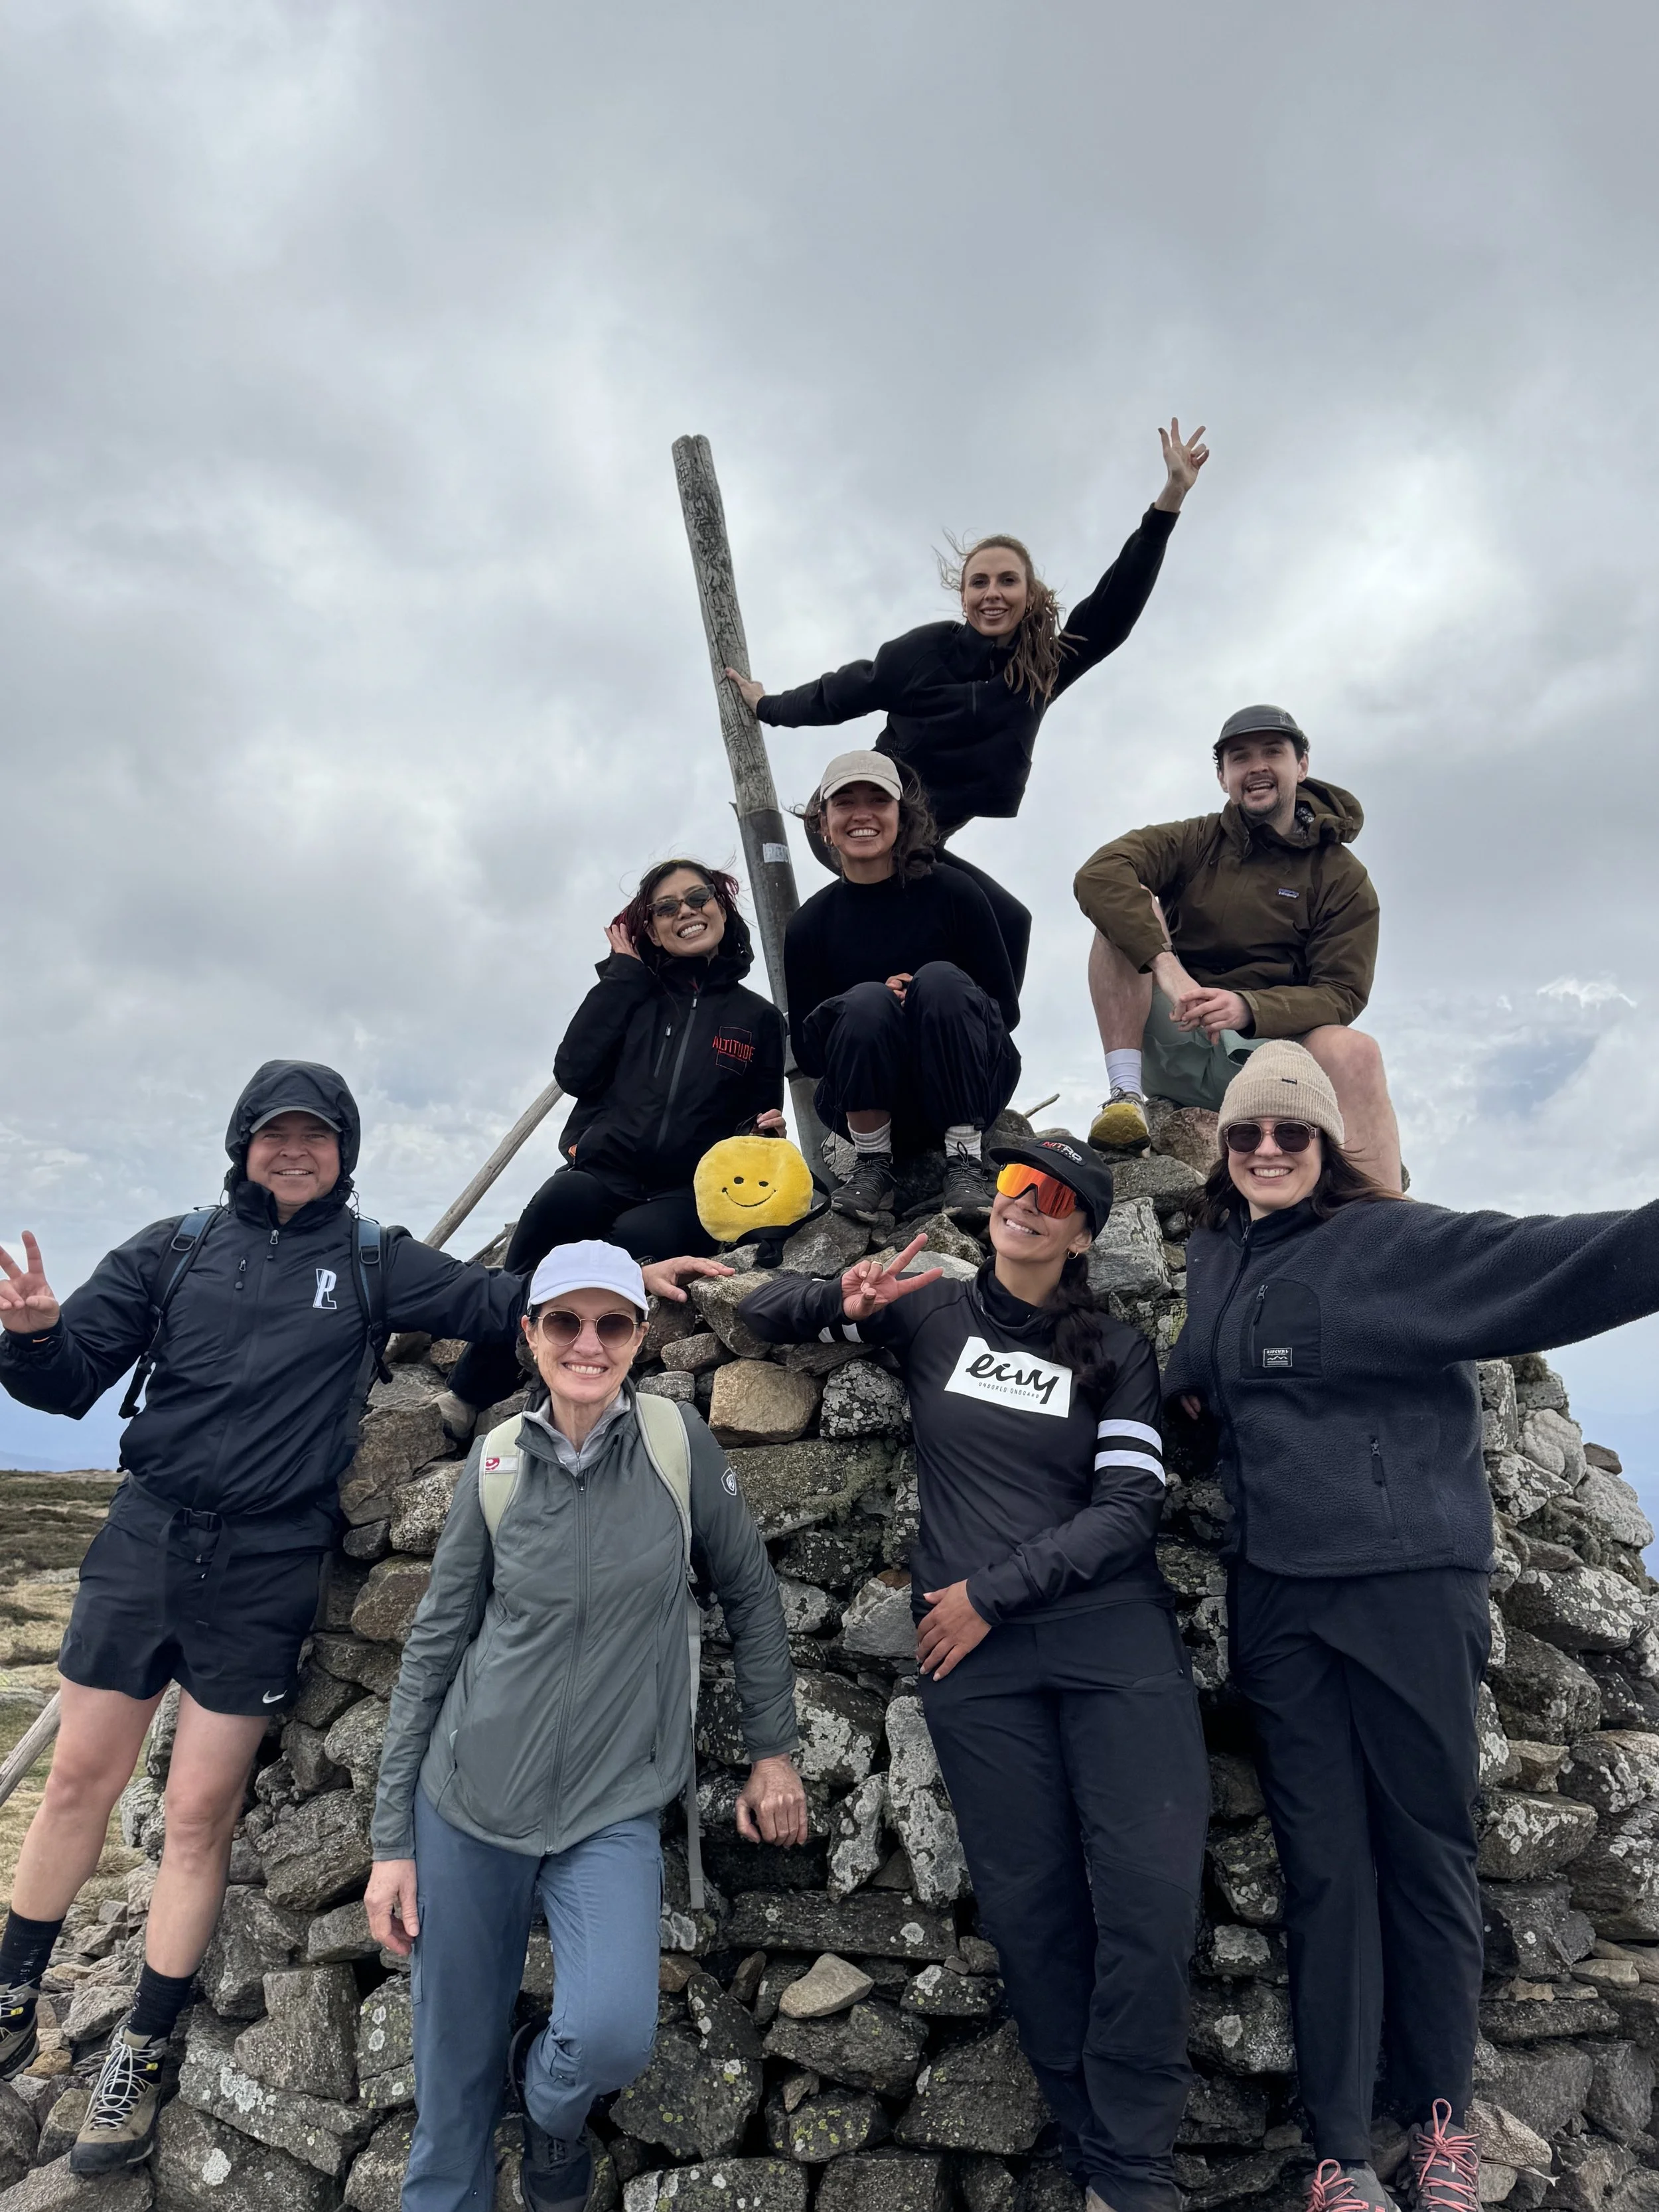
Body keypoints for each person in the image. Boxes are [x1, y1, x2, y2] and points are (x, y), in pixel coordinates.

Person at [0, 1062, 720, 2176]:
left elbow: (499, 1299)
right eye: (275, 1134)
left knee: (198, 1812)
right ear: (242, 1142)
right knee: (78, 1782)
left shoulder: (373, 1257)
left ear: (343, 1150)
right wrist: (37, 1336)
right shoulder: (173, 1247)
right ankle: (13, 1994)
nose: (295, 1151)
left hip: (268, 1560)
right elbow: (71, 1379)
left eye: (317, 1136)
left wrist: (621, 1278)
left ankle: (138, 2051)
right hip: (147, 1537)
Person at [1161, 1041, 1659, 2212]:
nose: (1270, 1149)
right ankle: (1338, 2153)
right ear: (1224, 1149)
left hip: (1407, 1585)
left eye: (1293, 1131)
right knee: (1325, 1869)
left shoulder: (1391, 1241)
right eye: (1248, 1133)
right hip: (1278, 1596)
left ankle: (1442, 2129)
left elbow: (1558, 1259)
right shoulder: (1217, 1255)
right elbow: (1213, 1389)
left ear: (1326, 1144)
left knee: (1427, 1854)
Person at [739, 1137, 1210, 2212]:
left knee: (1148, 1906)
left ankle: (1134, 2169)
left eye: (1052, 1195)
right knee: (1033, 1917)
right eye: (1009, 1183)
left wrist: (991, 1592)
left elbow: (1129, 1511)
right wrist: (839, 1295)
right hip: (981, 1672)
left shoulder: (1118, 1349)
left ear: (1082, 1234)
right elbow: (765, 1313)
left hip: (1107, 1648)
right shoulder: (930, 1311)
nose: (1023, 1202)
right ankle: (1106, 2165)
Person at [366, 1241, 804, 2212]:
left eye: (612, 1323)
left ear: (640, 1337)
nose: (588, 1343)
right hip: (468, 1802)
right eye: (565, 1321)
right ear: (531, 1335)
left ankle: (550, 2107)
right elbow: (434, 1645)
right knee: (449, 2093)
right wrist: (392, 1842)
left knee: (609, 2034)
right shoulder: (495, 1463)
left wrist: (773, 1752)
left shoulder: (677, 1446)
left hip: (610, 1804)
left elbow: (751, 1595)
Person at [727, 421, 1210, 989]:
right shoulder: (924, 653)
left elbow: (1113, 606)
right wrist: (768, 705)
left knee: (1010, 923)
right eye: (979, 583)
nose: (992, 594)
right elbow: (842, 691)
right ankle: (879, 1007)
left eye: (1008, 581)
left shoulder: (1041, 671)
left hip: (923, 842)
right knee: (928, 915)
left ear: (1029, 594)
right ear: (963, 596)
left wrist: (1170, 499)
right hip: (859, 815)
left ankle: (983, 1031)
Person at [439, 858, 786, 1436]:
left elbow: (757, 1120)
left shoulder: (761, 1019)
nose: (686, 911)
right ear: (650, 928)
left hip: (683, 1190)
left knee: (635, 1241)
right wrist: (622, 978)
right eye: (666, 907)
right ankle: (471, 1390)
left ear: (722, 906)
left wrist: (764, 1134)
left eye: (698, 897)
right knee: (559, 1205)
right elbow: (573, 1071)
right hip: (601, 1169)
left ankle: (553, 1389)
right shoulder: (630, 994)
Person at [1073, 704, 1400, 1189]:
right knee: (1120, 917)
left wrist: (1248, 1008)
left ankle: (1384, 1217)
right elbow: (1099, 874)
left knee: (1358, 1051)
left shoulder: (1342, 876)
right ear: (1223, 776)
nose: (1257, 767)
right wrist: (1169, 969)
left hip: (1274, 1059)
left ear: (1301, 765)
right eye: (1240, 757)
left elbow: (1343, 992)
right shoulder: (1194, 840)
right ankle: (1125, 1097)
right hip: (1178, 1033)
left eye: (1273, 752)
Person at [784, 751, 1021, 1224]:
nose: (862, 814)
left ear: (901, 816)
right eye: (845, 803)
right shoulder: (808, 925)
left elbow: (1005, 1012)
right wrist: (869, 1004)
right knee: (868, 1000)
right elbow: (809, 1056)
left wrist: (922, 999)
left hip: (968, 1090)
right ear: (824, 824)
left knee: (939, 979)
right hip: (868, 1103)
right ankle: (873, 1164)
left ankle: (965, 1162)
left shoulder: (955, 892)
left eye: (878, 800)